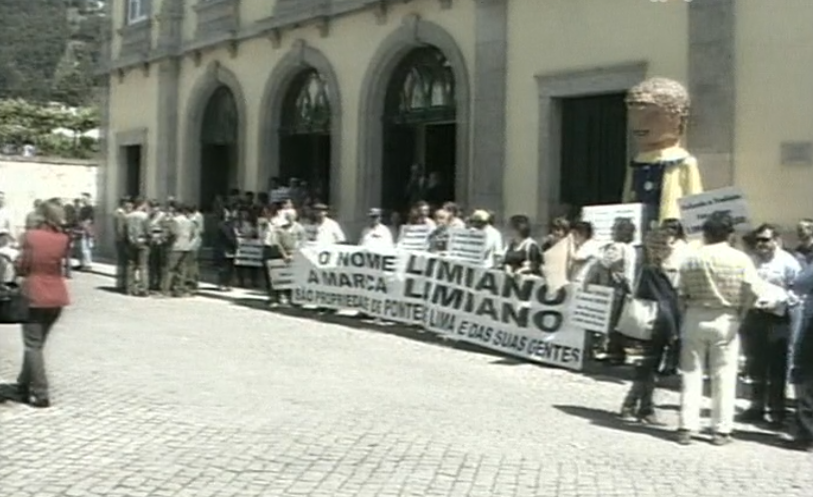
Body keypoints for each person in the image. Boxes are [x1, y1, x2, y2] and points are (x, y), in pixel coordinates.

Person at [676, 212, 762, 446]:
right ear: (730, 234)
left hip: (695, 314)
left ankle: (686, 426)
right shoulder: (740, 259)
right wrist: (742, 313)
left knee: (691, 373)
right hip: (727, 317)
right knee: (724, 375)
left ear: (705, 233)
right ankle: (721, 430)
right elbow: (753, 290)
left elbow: (680, 293)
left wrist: (687, 314)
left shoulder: (691, 258)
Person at [738, 224, 801, 428]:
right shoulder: (751, 261)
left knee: (777, 366)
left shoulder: (788, 262)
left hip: (778, 318)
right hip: (755, 316)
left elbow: (798, 291)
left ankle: (777, 411)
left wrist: (780, 302)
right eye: (758, 240)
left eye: (765, 240)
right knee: (755, 363)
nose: (761, 244)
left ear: (776, 240)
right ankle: (756, 407)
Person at [13, 199, 70, 408]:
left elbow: (22, 265)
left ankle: (40, 391)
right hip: (57, 295)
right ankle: (23, 383)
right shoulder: (63, 239)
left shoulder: (30, 237)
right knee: (37, 345)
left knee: (32, 345)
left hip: (34, 292)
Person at [620, 228, 681, 424]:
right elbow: (665, 302)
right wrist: (674, 330)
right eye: (668, 244)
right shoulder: (654, 271)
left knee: (648, 367)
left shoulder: (649, 268)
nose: (671, 248)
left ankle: (642, 407)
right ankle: (635, 406)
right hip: (657, 323)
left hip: (652, 322)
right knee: (647, 366)